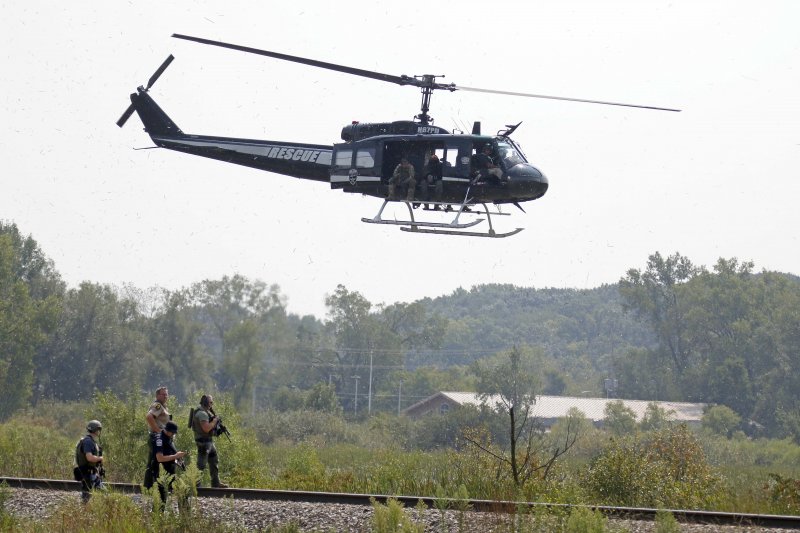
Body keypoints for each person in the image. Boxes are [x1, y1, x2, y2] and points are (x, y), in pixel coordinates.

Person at [191, 394, 228, 488]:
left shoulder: (206, 412)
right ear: (206, 403)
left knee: (214, 461)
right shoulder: (201, 413)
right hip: (203, 442)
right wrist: (215, 421)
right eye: (211, 402)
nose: (212, 404)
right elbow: (206, 428)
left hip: (209, 442)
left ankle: (215, 483)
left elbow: (210, 429)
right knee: (201, 465)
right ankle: (196, 485)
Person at [152, 421, 187, 510]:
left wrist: (178, 458)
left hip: (171, 472)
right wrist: (176, 456)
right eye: (173, 433)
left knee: (183, 491)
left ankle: (184, 516)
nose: (174, 435)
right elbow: (160, 458)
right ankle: (156, 521)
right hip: (161, 474)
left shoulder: (169, 438)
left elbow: (171, 454)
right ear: (168, 431)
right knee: (161, 502)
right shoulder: (159, 439)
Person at [144, 386, 172, 489]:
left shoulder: (163, 406)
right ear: (157, 395)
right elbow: (149, 416)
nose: (165, 396)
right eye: (163, 394)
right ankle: (150, 487)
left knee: (153, 462)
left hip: (160, 438)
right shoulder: (158, 406)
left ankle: (150, 486)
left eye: (166, 394)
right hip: (157, 437)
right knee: (154, 462)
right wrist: (158, 430)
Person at [74, 420, 104, 503]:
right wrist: (100, 458)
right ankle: (84, 511)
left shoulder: (90, 441)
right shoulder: (88, 442)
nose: (99, 432)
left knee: (102, 492)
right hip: (88, 473)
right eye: (99, 429)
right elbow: (89, 458)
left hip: (92, 473)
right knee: (86, 497)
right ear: (96, 430)